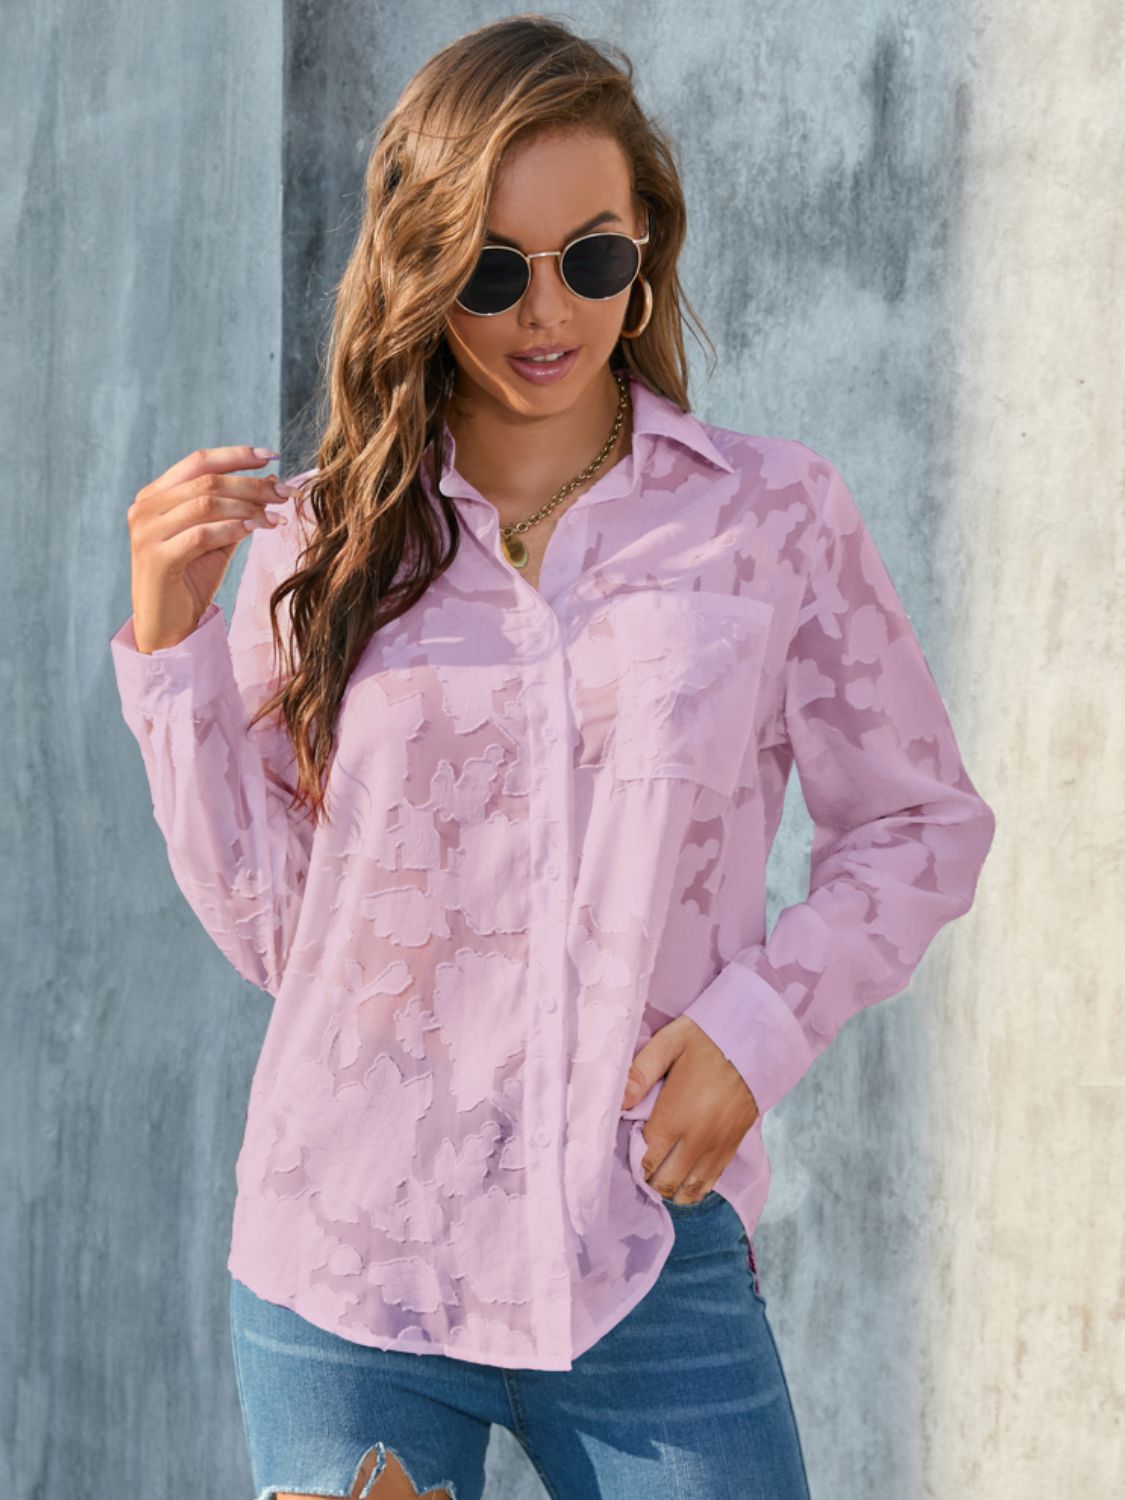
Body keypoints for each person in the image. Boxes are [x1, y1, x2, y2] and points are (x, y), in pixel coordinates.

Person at [108, 16, 996, 1500]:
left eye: (590, 259)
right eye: (489, 269)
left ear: (643, 255)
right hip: (348, 1267)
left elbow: (920, 823)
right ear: (421, 269)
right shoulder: (316, 550)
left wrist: (757, 1030)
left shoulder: (770, 520)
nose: (545, 312)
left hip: (641, 1244)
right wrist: (171, 651)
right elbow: (280, 932)